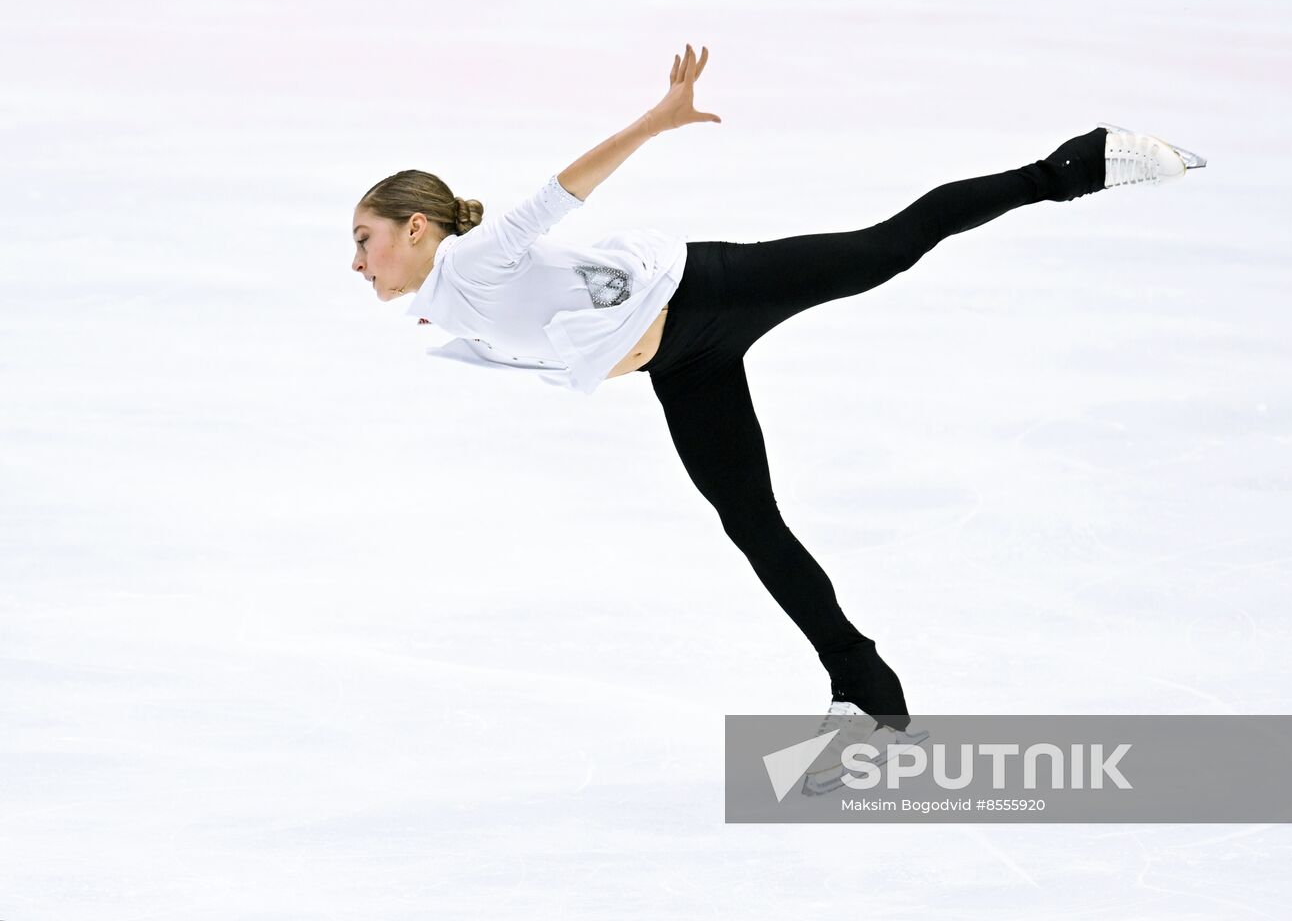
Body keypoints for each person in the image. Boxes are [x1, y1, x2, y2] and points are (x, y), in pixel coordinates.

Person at [350, 43, 1206, 736]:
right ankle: (867, 690)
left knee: (885, 249)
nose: (358, 262)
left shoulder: (468, 262)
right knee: (751, 524)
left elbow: (557, 195)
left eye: (366, 239)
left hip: (708, 293)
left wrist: (656, 119)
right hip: (682, 366)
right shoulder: (451, 301)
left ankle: (1078, 163)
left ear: (416, 228)